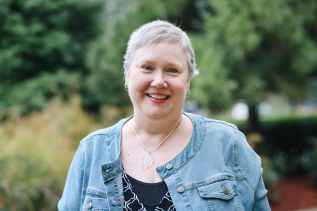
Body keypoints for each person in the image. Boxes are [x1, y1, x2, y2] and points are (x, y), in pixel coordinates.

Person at [58, 20, 271, 211]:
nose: (159, 81)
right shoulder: (92, 151)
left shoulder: (227, 144)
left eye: (172, 70)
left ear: (187, 82)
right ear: (127, 75)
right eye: (147, 68)